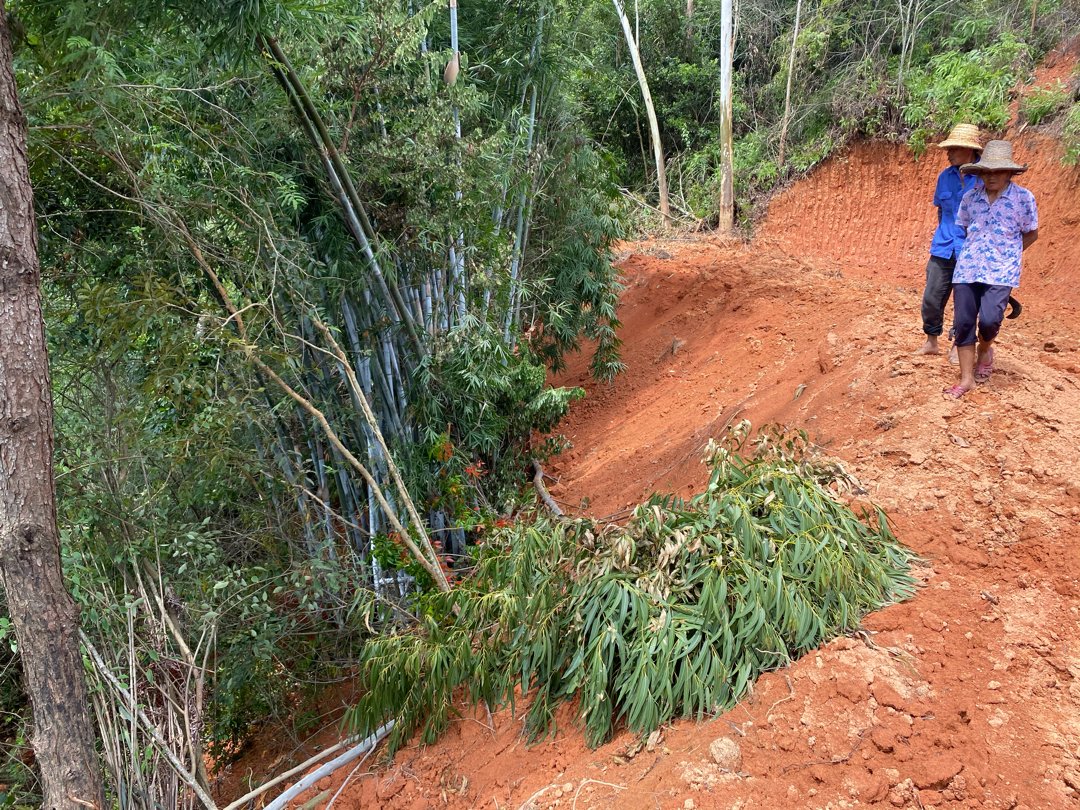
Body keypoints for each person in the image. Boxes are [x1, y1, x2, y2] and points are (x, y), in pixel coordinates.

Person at [943, 140, 1038, 399]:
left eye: (997, 171)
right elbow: (962, 228)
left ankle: (985, 349)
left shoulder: (1023, 199)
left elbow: (1031, 233)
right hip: (968, 269)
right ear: (980, 173)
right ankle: (966, 379)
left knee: (989, 320)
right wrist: (967, 255)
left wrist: (1009, 255)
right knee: (963, 323)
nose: (991, 176)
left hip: (1001, 272)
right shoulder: (970, 198)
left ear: (1009, 172)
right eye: (987, 171)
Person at [916, 124, 983, 357]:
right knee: (932, 297)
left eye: (954, 148)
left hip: (971, 250)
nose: (949, 153)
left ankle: (959, 345)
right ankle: (931, 341)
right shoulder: (945, 177)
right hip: (943, 246)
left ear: (970, 150)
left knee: (966, 302)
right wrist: (943, 233)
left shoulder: (986, 178)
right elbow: (941, 211)